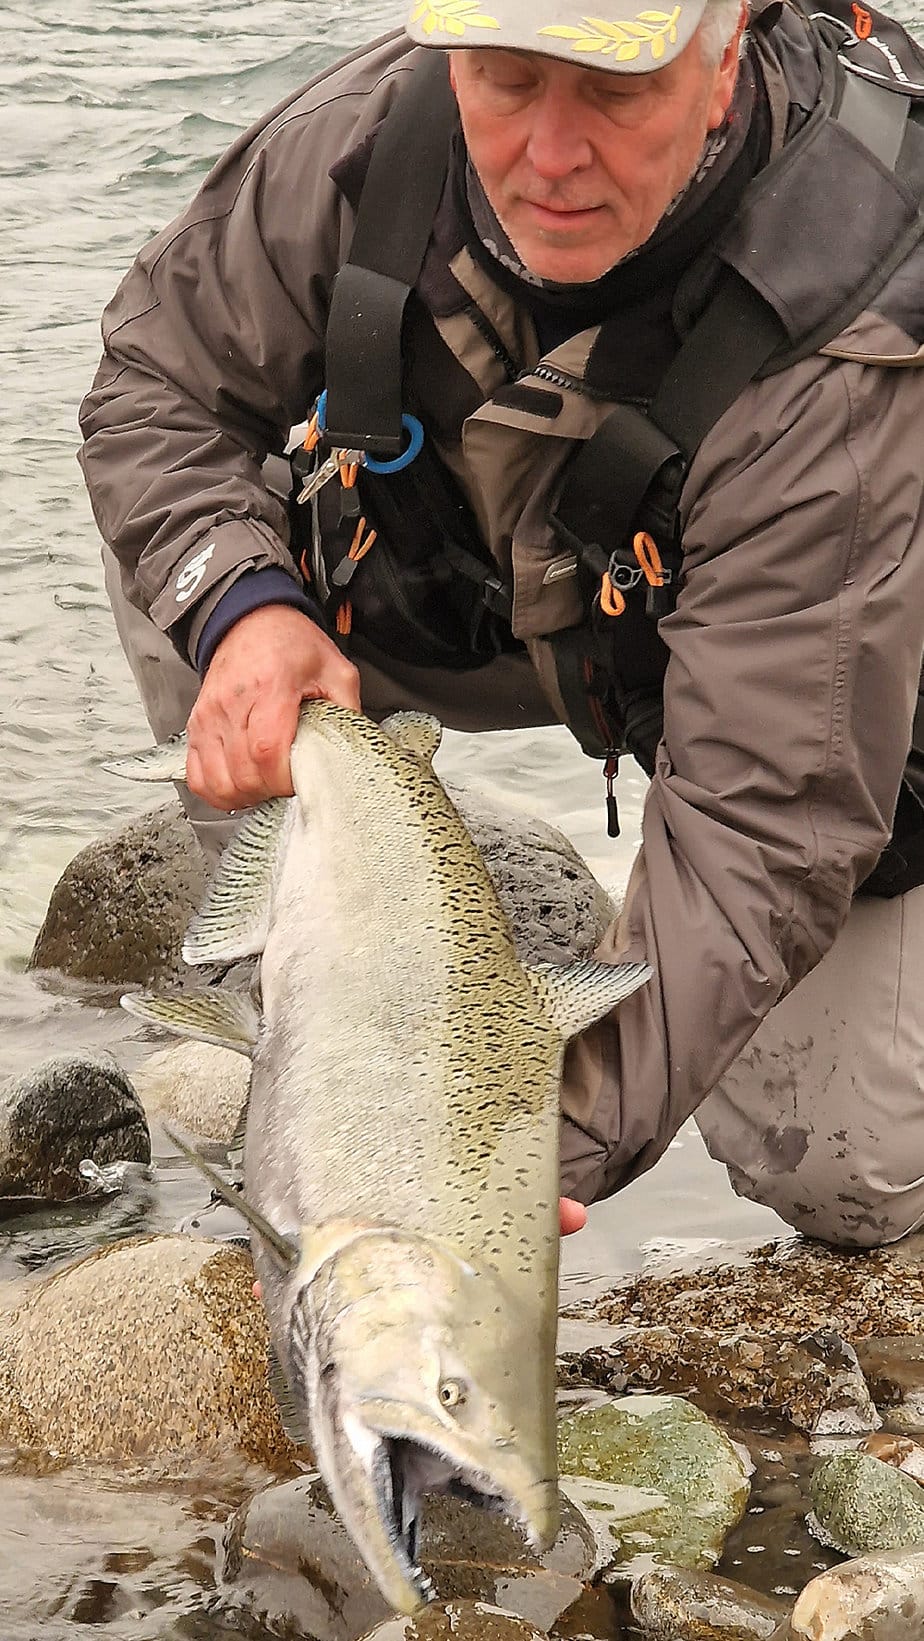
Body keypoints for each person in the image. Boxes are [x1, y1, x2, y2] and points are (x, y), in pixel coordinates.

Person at [79, 0, 924, 1249]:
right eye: (510, 79)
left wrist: (492, 1157)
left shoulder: (844, 316)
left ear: (726, 52)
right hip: (474, 596)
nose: (551, 153)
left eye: (614, 91)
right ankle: (315, 924)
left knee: (852, 1170)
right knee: (193, 544)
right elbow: (158, 382)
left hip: (804, 676)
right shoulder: (359, 142)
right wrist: (243, 611)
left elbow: (766, 816)